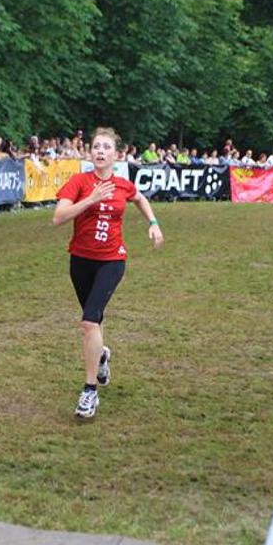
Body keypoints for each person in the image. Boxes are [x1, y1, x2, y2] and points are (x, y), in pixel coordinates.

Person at [52, 127, 164, 419]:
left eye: (106, 147)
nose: (100, 151)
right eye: (96, 147)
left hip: (112, 260)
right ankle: (101, 355)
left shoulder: (123, 185)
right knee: (95, 320)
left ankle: (89, 391)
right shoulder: (79, 182)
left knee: (89, 321)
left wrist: (153, 223)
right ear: (90, 152)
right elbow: (58, 218)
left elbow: (140, 198)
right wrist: (90, 199)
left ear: (117, 155)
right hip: (80, 260)